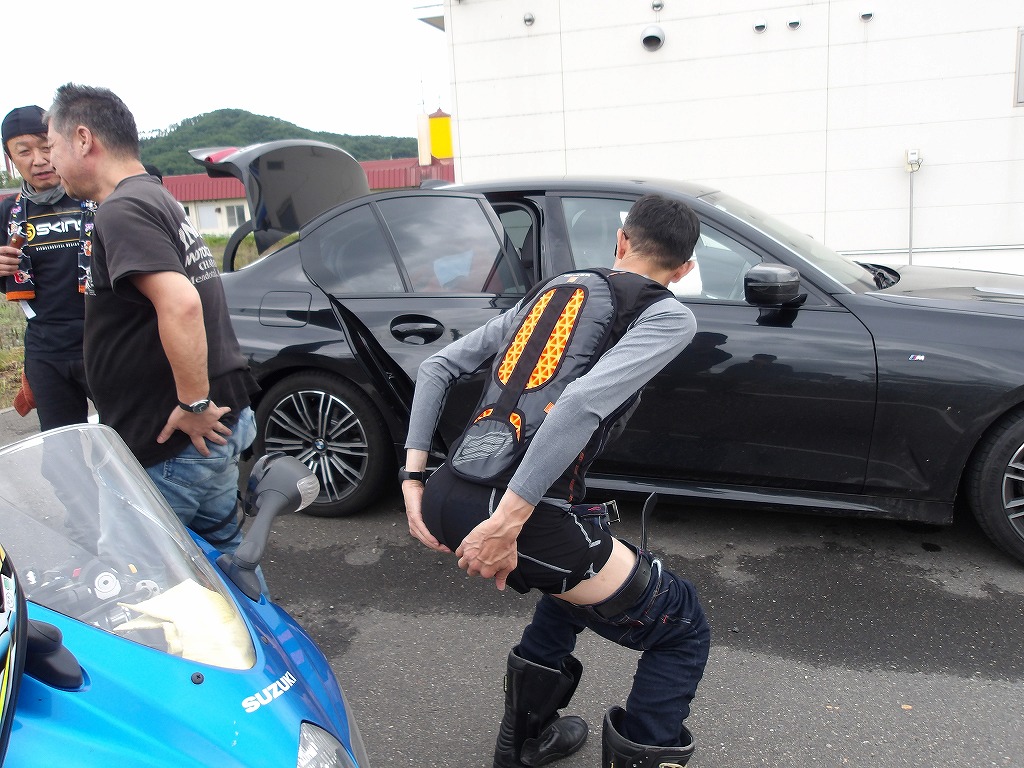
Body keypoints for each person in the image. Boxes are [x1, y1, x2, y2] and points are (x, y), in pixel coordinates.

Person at [402, 194, 711, 767]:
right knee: (680, 622)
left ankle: (525, 744)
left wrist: (412, 478)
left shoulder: (560, 287)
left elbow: (436, 366)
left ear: (621, 239)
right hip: (514, 517)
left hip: (448, 493)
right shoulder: (669, 315)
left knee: (571, 584)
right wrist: (506, 524)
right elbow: (578, 405)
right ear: (685, 268)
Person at [45, 83, 260, 560]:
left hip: (172, 444)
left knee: (141, 577)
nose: (50, 160)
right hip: (206, 432)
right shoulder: (156, 198)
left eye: (53, 145)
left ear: (83, 139)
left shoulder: (121, 210)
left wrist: (194, 403)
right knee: (225, 562)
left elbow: (182, 304)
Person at [0, 105, 94, 431]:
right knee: (61, 446)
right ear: (11, 159)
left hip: (103, 339)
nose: (39, 160)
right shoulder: (8, 213)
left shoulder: (93, 197)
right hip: (46, 349)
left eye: (45, 147)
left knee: (129, 440)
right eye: (24, 151)